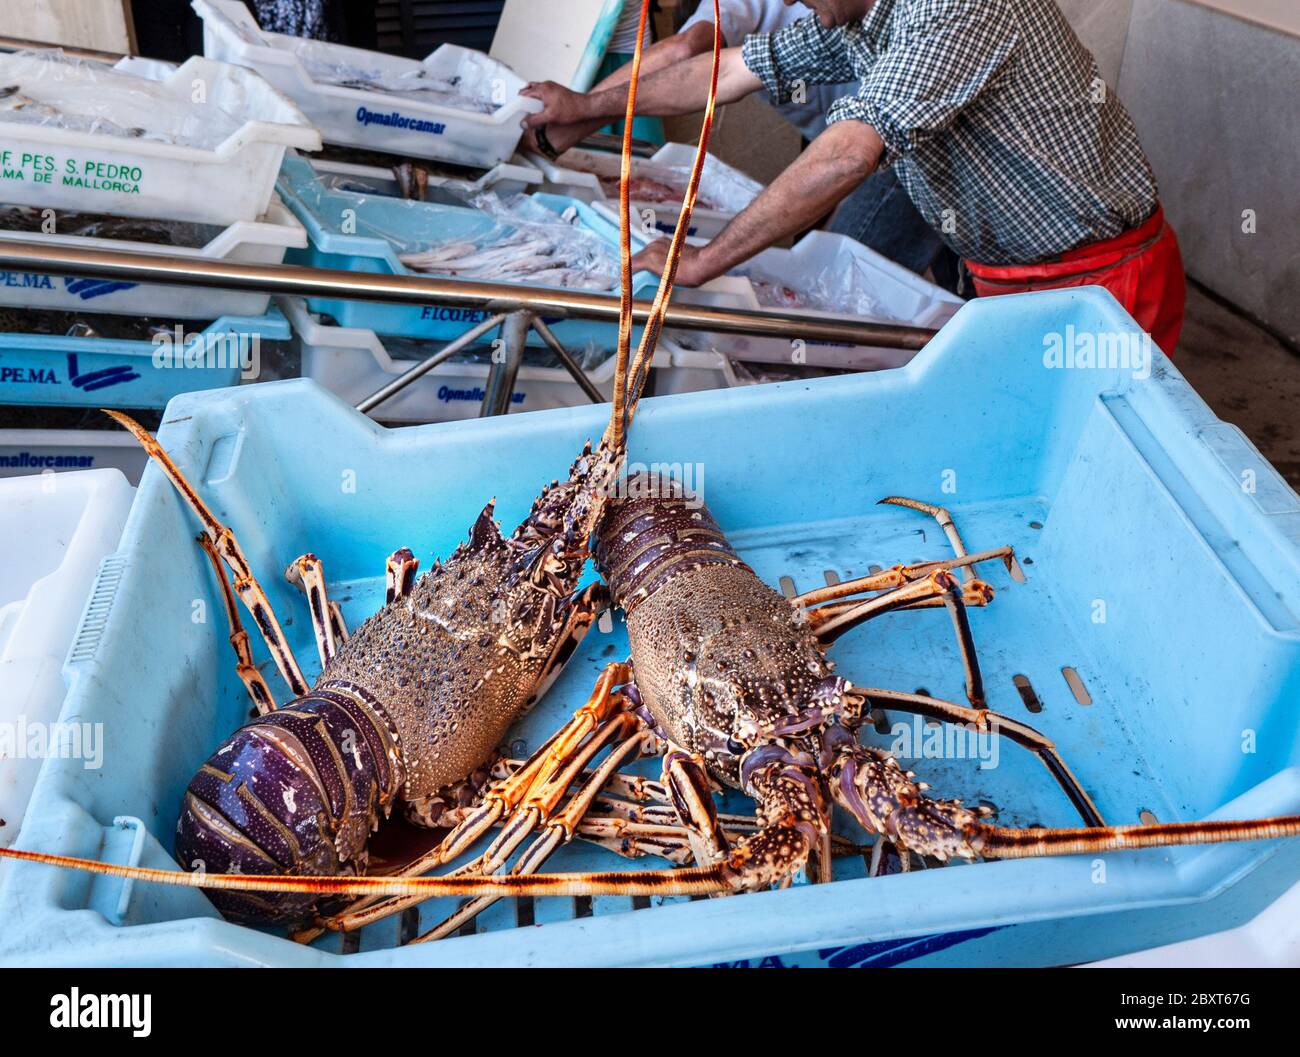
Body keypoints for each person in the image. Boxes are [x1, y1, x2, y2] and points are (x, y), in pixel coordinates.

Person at [522, 0, 1186, 354]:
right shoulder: (862, 18)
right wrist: (586, 108)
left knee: (1095, 465)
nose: (785, 1)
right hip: (1007, 276)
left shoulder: (956, 7)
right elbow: (724, 70)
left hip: (1103, 279)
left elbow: (846, 156)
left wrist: (705, 260)